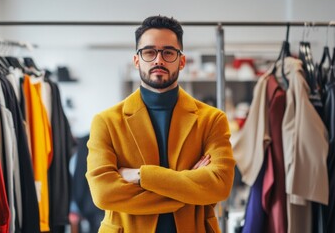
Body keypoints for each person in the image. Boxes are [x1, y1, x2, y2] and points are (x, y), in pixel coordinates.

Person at [86, 15, 235, 233]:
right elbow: (103, 193)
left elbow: (219, 185)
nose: (158, 60)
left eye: (168, 52)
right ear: (137, 60)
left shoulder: (212, 119)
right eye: (149, 52)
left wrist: (139, 175)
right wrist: (188, 192)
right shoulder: (106, 122)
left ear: (181, 61)